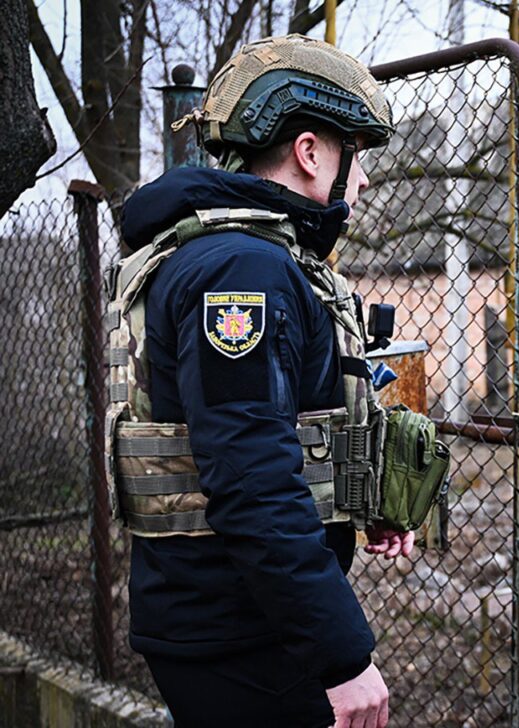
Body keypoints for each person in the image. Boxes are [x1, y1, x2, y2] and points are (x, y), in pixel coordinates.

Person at [111, 35, 410, 728]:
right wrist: (343, 657)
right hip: (240, 632)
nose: (360, 181)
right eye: (355, 156)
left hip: (232, 614)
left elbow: (274, 429)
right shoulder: (241, 271)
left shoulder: (247, 256)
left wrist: (362, 499)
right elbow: (250, 476)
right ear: (310, 153)